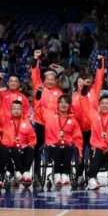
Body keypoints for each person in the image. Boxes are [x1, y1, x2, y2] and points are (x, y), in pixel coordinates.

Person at [34, 90, 83, 186]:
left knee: (69, 148)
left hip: (66, 146)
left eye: (66, 102)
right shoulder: (49, 115)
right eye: (61, 102)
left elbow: (78, 138)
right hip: (52, 145)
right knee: (57, 148)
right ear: (57, 104)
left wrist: (79, 155)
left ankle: (65, 174)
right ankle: (56, 175)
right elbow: (37, 107)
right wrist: (38, 94)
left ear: (69, 105)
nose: (63, 105)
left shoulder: (73, 121)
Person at [31, 50, 63, 186]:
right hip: (40, 123)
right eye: (47, 79)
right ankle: (37, 174)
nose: (50, 81)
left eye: (52, 79)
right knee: (37, 148)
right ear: (44, 80)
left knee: (56, 148)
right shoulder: (39, 88)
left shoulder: (59, 92)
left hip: (54, 125)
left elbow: (64, 108)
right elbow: (34, 73)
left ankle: (57, 174)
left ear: (55, 81)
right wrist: (35, 59)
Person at [71, 54, 104, 185]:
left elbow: (100, 77)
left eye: (83, 81)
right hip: (79, 130)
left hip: (92, 129)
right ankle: (79, 175)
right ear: (76, 84)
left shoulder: (94, 92)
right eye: (79, 82)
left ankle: (92, 176)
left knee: (93, 154)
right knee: (79, 154)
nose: (81, 83)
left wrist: (101, 62)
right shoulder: (73, 97)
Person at [0, 100, 36, 185]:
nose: (16, 110)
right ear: (10, 110)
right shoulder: (4, 121)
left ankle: (26, 172)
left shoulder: (26, 123)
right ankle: (16, 172)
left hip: (22, 147)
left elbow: (33, 139)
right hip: (9, 147)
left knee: (30, 150)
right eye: (14, 108)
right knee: (15, 151)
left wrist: (28, 145)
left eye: (18, 109)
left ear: (22, 111)